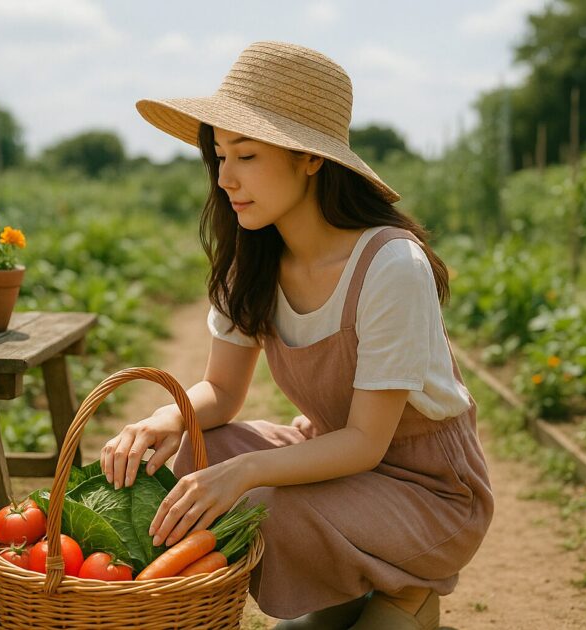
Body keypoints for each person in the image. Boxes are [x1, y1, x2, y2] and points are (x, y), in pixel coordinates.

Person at [100, 41, 494, 630]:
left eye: (248, 155)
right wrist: (170, 417)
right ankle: (341, 590)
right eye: (219, 156)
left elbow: (365, 442)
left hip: (427, 489)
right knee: (196, 451)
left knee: (256, 495)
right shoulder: (251, 262)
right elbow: (222, 392)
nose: (227, 178)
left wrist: (250, 472)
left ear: (310, 158)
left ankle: (406, 590)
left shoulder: (389, 265)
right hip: (338, 465)